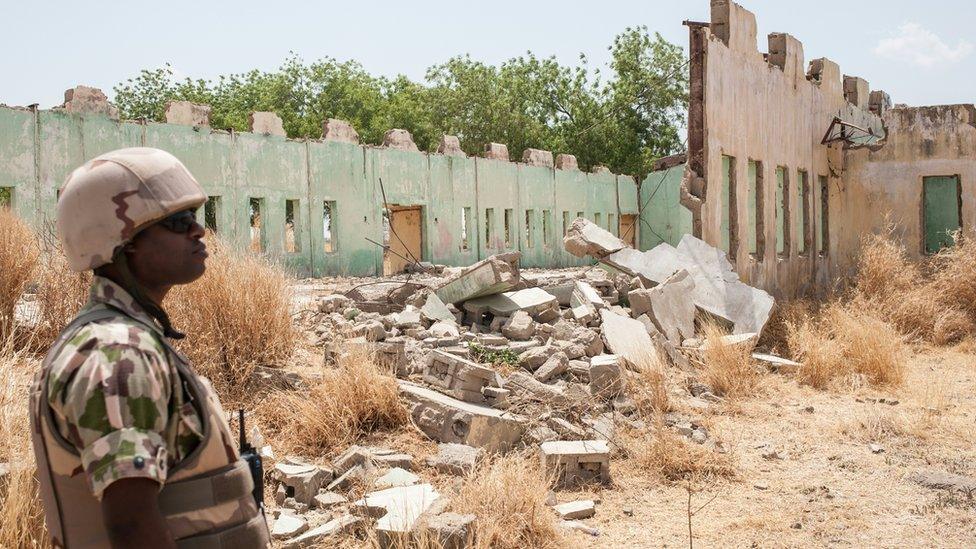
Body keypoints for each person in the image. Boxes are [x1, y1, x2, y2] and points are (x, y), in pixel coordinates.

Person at [29, 147, 269, 548]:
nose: (198, 231)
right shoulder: (118, 352)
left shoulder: (127, 337)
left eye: (195, 217)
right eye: (178, 222)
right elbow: (131, 524)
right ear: (123, 241)